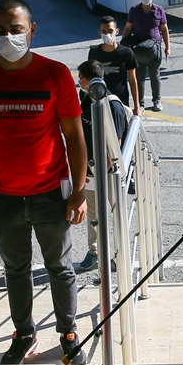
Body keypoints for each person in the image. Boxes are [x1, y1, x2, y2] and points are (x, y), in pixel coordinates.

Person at [0, 0, 89, 365]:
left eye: (16, 29)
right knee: (14, 271)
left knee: (60, 267)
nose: (8, 36)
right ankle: (24, 334)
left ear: (32, 30)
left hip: (51, 194)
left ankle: (68, 333)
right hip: (2, 198)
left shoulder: (55, 74)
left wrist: (78, 191)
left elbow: (74, 137)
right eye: (0, 30)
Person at [74, 61, 129, 277]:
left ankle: (119, 255)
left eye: (80, 78)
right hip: (90, 169)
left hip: (107, 173)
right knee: (93, 214)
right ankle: (94, 252)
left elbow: (114, 143)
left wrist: (103, 174)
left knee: (115, 213)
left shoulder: (112, 104)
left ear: (87, 79)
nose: (79, 82)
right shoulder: (87, 99)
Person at [121, 0, 171, 112]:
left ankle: (157, 101)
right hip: (138, 50)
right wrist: (122, 46)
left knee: (155, 76)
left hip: (155, 50)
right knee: (140, 77)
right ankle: (141, 104)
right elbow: (128, 28)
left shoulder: (159, 10)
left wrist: (167, 47)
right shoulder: (134, 10)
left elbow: (164, 30)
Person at [87, 15, 141, 116]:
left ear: (117, 31)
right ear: (99, 33)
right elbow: (90, 79)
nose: (107, 34)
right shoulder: (94, 52)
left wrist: (137, 107)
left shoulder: (127, 53)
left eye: (110, 31)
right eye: (104, 31)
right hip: (99, 102)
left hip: (121, 102)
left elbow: (133, 80)